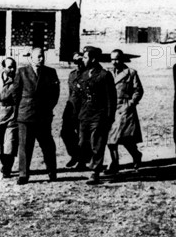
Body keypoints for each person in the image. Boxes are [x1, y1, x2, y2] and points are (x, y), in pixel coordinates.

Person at [11, 47, 60, 185]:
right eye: (38, 56)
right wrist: (22, 108)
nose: (41, 59)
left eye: (43, 56)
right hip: (26, 116)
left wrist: (48, 108)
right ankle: (23, 175)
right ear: (31, 58)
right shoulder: (22, 72)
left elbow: (54, 94)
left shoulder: (51, 72)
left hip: (43, 116)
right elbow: (15, 93)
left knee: (48, 145)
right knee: (25, 146)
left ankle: (52, 172)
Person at [77, 46, 117, 184]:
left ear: (93, 59)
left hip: (99, 115)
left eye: (85, 57)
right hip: (84, 114)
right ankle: (90, 164)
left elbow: (111, 98)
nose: (83, 59)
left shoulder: (104, 75)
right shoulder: (83, 74)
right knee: (82, 143)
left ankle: (95, 171)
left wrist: (110, 117)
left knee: (97, 144)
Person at [106, 49, 144, 173]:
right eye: (112, 59)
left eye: (116, 59)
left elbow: (138, 90)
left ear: (122, 59)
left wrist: (130, 104)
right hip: (111, 108)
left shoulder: (131, 72)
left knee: (126, 139)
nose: (114, 62)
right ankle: (114, 163)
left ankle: (136, 155)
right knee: (111, 139)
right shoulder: (108, 73)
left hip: (125, 109)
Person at [61, 52, 85, 168]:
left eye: (80, 61)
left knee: (83, 135)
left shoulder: (89, 74)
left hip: (84, 108)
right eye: (75, 62)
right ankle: (75, 155)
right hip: (71, 108)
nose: (78, 64)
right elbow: (71, 93)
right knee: (65, 133)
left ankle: (82, 160)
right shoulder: (72, 75)